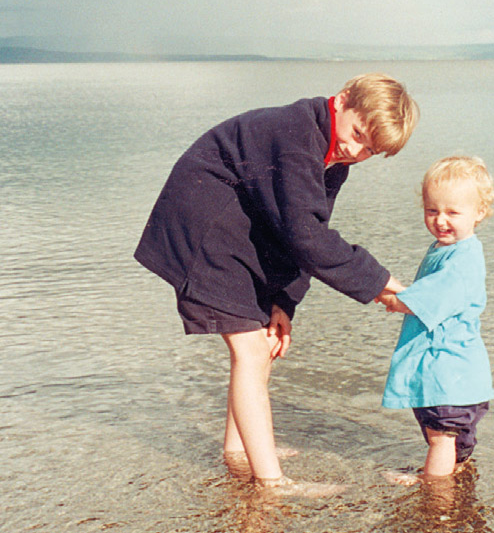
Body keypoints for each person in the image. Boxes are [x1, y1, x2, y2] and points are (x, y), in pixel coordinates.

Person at [134, 73, 418, 492]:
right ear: (341, 101)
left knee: (262, 345)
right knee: (250, 350)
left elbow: (301, 235)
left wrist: (283, 303)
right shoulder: (295, 134)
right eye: (357, 133)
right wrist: (381, 283)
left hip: (236, 228)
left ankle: (241, 451)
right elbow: (306, 235)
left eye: (369, 150)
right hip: (201, 226)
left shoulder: (332, 157)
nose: (355, 150)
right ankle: (271, 481)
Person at [379, 156, 494, 485]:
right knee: (453, 441)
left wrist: (391, 299)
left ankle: (433, 495)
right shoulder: (451, 249)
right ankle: (451, 480)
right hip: (460, 377)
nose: (440, 220)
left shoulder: (463, 259)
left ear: (479, 212)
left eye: (452, 212)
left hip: (448, 373)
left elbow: (426, 301)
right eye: (432, 211)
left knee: (441, 438)